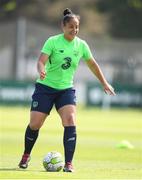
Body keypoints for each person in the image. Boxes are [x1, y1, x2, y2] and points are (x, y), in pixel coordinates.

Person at [18, 8, 115, 172]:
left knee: (70, 121)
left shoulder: (81, 45)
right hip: (45, 88)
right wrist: (41, 69)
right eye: (71, 26)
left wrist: (104, 83)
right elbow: (41, 61)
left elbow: (92, 64)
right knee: (35, 124)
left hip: (66, 90)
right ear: (63, 26)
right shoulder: (52, 41)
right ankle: (26, 155)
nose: (74, 30)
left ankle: (69, 163)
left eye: (77, 27)